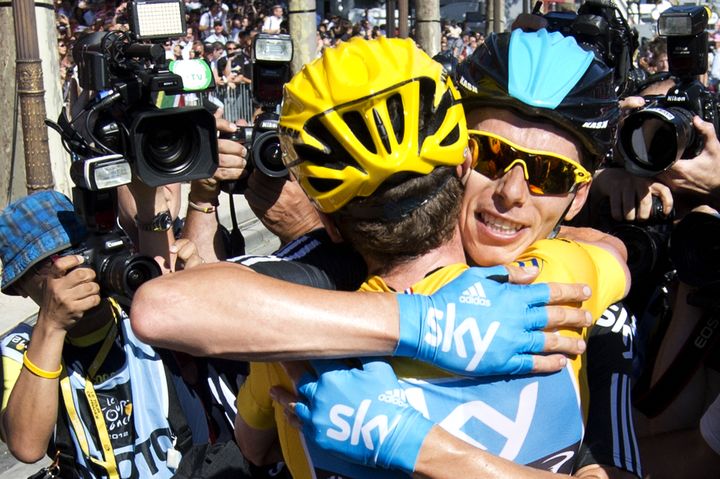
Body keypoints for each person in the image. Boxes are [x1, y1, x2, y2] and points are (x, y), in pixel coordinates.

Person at [233, 33, 631, 478]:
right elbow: (613, 254)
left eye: (549, 174)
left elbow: (253, 445)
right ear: (459, 157)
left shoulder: (294, 331)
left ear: (577, 198)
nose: (512, 193)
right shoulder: (564, 280)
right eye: (493, 155)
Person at [0, 190, 213, 478]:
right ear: (20, 287)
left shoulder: (143, 308)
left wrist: (201, 288)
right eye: (59, 261)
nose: (82, 268)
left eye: (83, 250)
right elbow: (27, 447)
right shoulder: (19, 349)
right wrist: (51, 326)